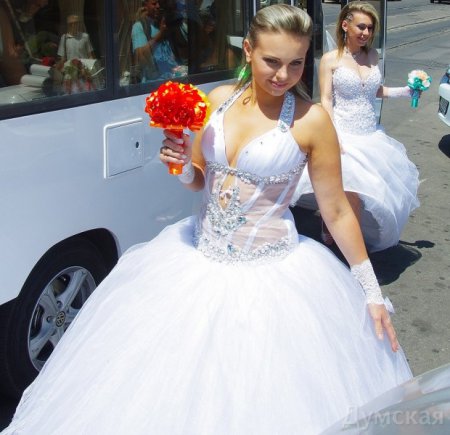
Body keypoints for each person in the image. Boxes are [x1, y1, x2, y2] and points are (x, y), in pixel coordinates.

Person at [2, 5, 412, 434]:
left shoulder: (313, 120)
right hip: (194, 261)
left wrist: (369, 289)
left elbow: (338, 209)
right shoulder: (217, 101)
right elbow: (199, 179)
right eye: (272, 61)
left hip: (274, 279)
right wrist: (179, 164)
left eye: (295, 63)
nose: (283, 75)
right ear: (248, 50)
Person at [296, 1, 420, 252]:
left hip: (371, 136)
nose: (366, 33)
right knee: (351, 192)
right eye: (361, 27)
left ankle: (336, 229)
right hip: (343, 135)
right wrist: (332, 135)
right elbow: (327, 100)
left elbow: (375, 91)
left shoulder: (373, 56)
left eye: (370, 28)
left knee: (362, 194)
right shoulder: (331, 60)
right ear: (345, 25)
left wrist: (406, 91)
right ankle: (351, 248)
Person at [131, 0, 181, 81]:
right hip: (153, 83)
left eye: (159, 3)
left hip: (171, 79)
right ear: (145, 5)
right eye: (154, 4)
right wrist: (160, 35)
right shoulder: (139, 27)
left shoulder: (162, 25)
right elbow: (140, 56)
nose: (158, 6)